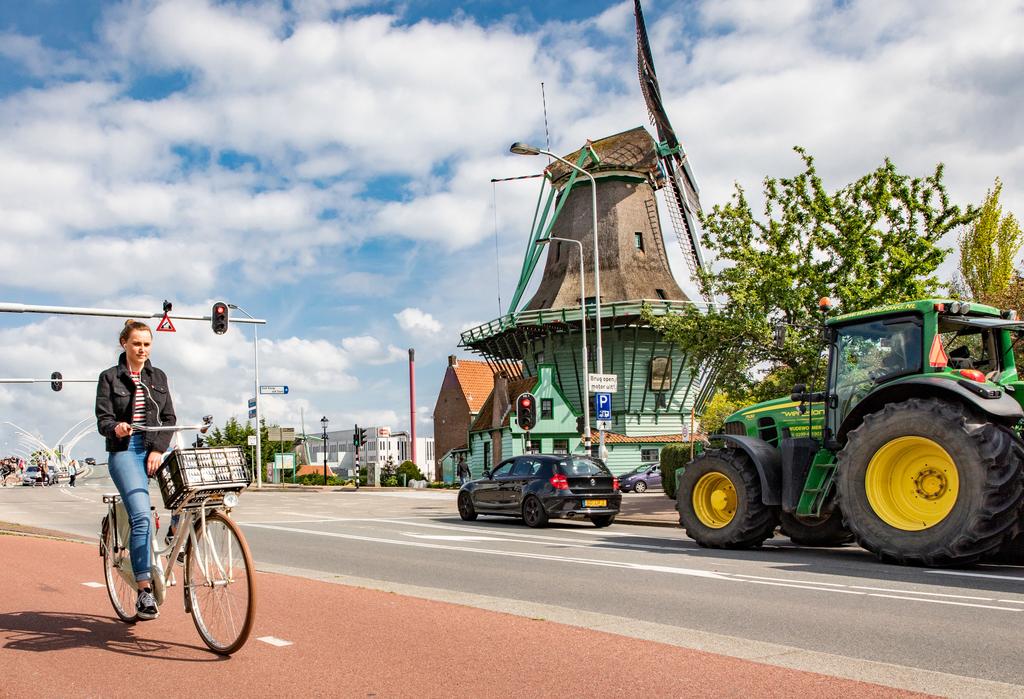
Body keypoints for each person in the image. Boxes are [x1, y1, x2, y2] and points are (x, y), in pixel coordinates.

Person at [95, 320, 176, 620]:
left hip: (154, 446)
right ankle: (144, 589)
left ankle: (177, 539)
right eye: (136, 343)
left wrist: (158, 449)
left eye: (147, 344)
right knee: (141, 516)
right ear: (124, 344)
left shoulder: (159, 376)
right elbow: (102, 420)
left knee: (194, 486)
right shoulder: (109, 378)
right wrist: (116, 427)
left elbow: (169, 418)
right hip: (125, 450)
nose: (142, 349)